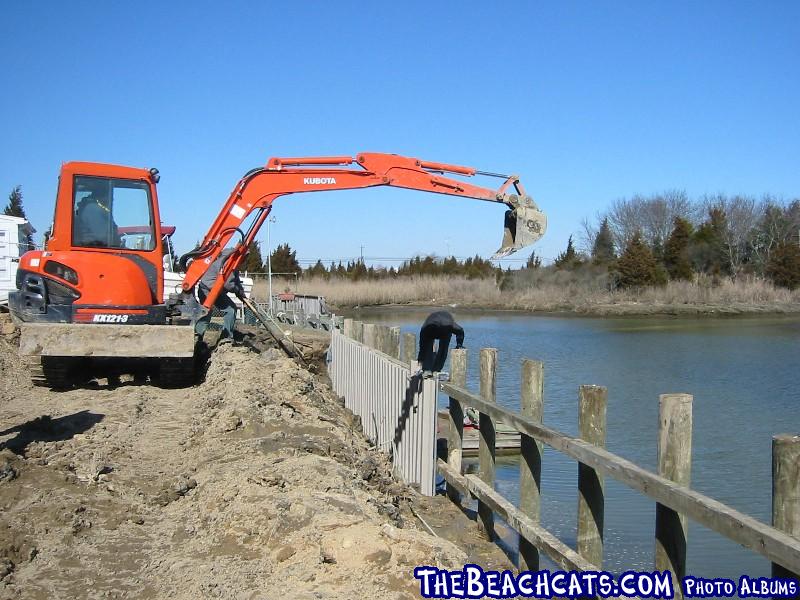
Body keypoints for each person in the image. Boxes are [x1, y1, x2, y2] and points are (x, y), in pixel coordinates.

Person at [195, 249, 246, 344]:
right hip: (208, 290)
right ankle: (226, 337)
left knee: (207, 312)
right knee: (228, 310)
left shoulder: (232, 264)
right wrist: (238, 291)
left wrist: (242, 295)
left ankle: (199, 335)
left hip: (213, 290)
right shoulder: (227, 264)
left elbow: (236, 281)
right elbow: (229, 285)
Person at [417, 310, 464, 376]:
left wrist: (459, 344)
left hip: (444, 327)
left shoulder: (448, 325)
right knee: (428, 347)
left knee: (443, 348)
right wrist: (420, 359)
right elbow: (422, 347)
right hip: (431, 327)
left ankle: (436, 370)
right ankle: (428, 370)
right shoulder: (426, 329)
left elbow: (460, 331)